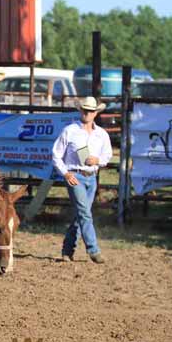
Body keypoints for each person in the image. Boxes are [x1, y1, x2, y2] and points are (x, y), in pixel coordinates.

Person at [52, 96, 113, 264]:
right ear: (81, 111)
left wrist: (97, 160)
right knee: (85, 213)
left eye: (91, 111)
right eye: (85, 110)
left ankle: (67, 250)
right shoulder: (69, 130)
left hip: (91, 177)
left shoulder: (101, 134)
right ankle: (93, 250)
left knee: (81, 215)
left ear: (95, 113)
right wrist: (66, 173)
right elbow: (56, 155)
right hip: (75, 175)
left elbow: (107, 155)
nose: (87, 113)